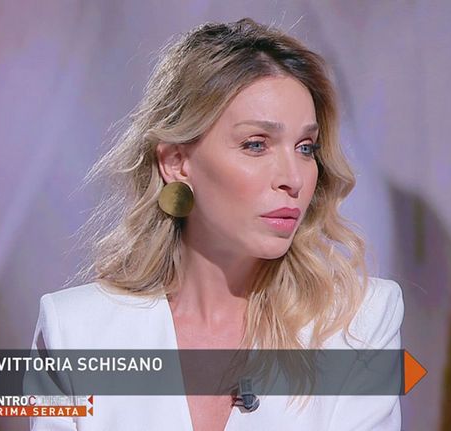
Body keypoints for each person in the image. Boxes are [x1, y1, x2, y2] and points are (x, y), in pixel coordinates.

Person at [29, 17, 404, 431]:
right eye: (256, 144)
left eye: (305, 148)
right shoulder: (73, 330)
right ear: (176, 163)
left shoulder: (361, 324)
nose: (294, 179)